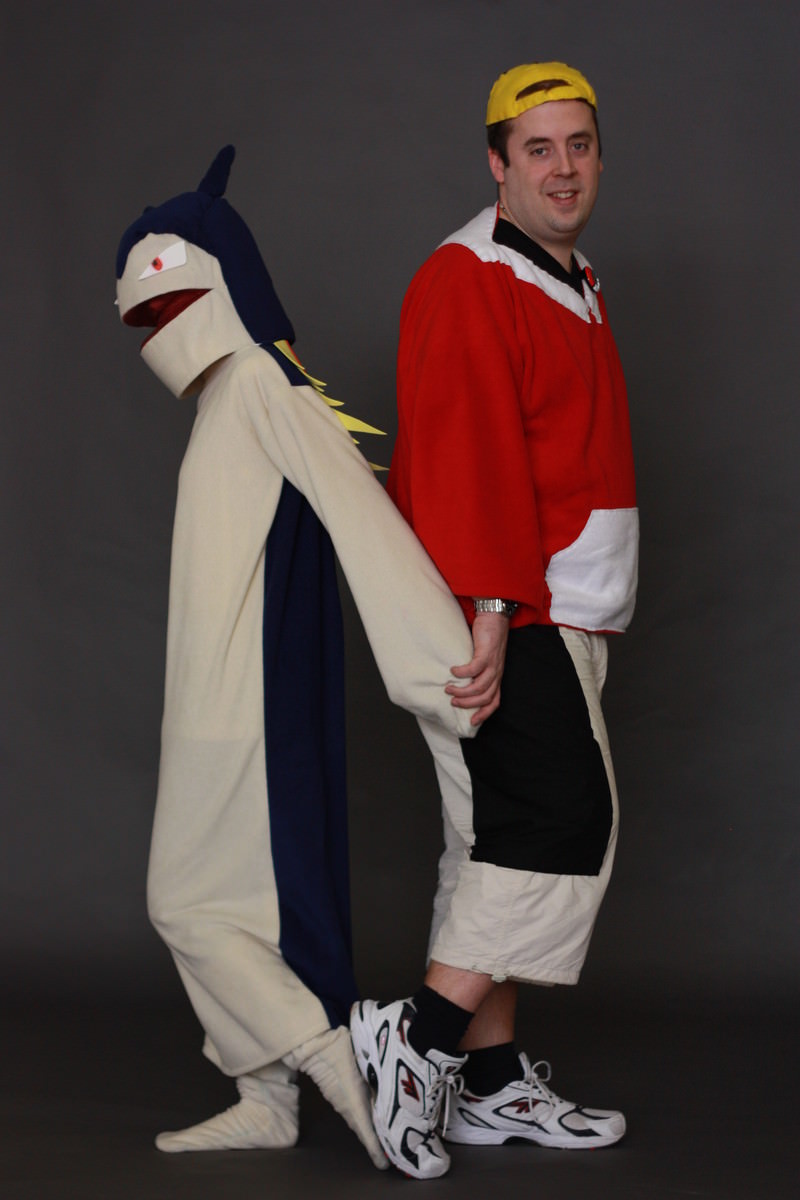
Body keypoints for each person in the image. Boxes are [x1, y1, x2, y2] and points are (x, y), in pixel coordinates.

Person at [115, 146, 478, 1167]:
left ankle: (334, 1064)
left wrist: (442, 669)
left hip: (252, 705)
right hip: (209, 699)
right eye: (141, 313)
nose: (150, 327)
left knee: (183, 900)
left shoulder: (265, 386)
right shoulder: (231, 394)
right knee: (229, 902)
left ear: (220, 279)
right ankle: (266, 1096)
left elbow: (362, 516)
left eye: (162, 299)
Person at [350, 62, 638, 1179]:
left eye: (578, 145)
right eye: (537, 149)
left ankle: (487, 1082)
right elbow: (463, 452)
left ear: (598, 155)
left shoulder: (572, 277)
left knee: (495, 839)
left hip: (563, 608)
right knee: (559, 821)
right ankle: (416, 1040)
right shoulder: (467, 276)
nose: (562, 168)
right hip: (512, 607)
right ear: (497, 163)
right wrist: (490, 610)